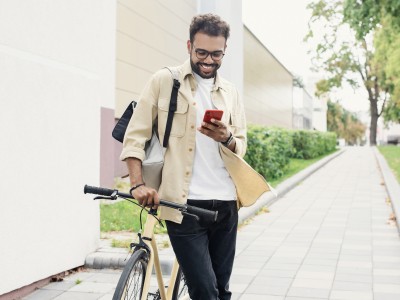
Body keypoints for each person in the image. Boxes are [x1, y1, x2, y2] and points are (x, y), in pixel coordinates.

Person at [120, 13, 247, 300]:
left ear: (224, 51)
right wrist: (138, 184)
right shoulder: (164, 81)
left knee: (221, 290)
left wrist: (225, 137)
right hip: (184, 206)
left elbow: (241, 145)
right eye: (201, 52)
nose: (208, 60)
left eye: (217, 54)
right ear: (188, 46)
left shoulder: (230, 92)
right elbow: (134, 137)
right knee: (204, 292)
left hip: (226, 206)